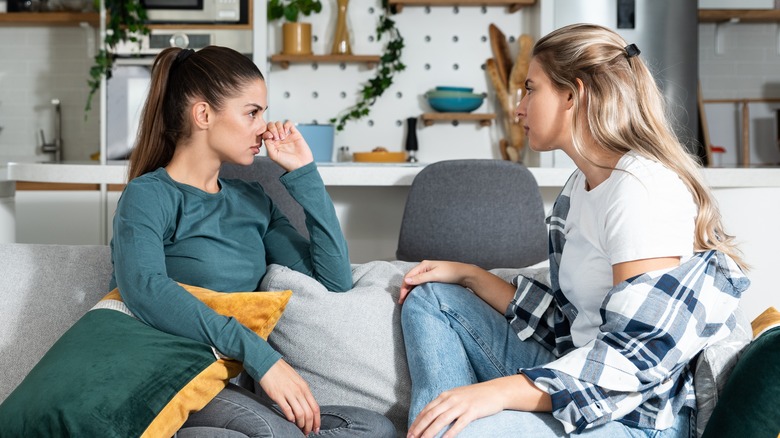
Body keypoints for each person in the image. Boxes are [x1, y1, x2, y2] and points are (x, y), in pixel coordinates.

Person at [398, 23, 750, 438]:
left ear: (573, 94)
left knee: (470, 430)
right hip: (580, 373)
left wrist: (496, 393)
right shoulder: (582, 185)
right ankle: (442, 424)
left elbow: (639, 356)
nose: (518, 108)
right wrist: (470, 275)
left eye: (531, 89)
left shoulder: (641, 190)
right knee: (432, 299)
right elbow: (573, 322)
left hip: (637, 415)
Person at [109, 45, 395, 437]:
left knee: (371, 427)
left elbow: (333, 284)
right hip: (165, 374)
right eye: (252, 112)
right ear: (204, 114)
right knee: (274, 431)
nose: (264, 126)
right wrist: (259, 355)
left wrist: (305, 174)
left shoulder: (253, 201)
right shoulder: (149, 195)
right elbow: (145, 288)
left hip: (229, 386)